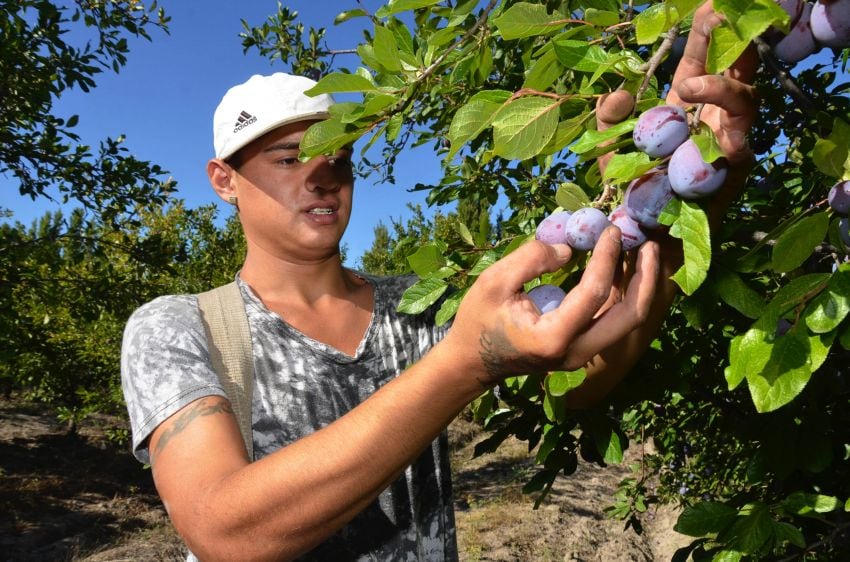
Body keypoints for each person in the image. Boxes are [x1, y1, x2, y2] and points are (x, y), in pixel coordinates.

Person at [121, 3, 757, 560]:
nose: (321, 179)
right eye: (287, 159)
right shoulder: (179, 326)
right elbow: (225, 533)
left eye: (337, 160)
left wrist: (666, 223)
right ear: (223, 179)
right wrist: (466, 362)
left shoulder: (415, 308)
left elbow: (579, 384)